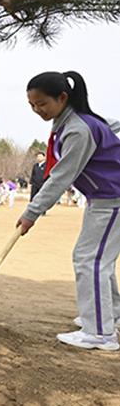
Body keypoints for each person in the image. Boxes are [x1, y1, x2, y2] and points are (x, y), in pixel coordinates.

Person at [17, 70, 120, 351]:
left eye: (42, 104)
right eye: (32, 105)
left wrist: (32, 213)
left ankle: (99, 332)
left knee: (90, 260)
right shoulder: (69, 122)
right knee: (96, 258)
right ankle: (110, 316)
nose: (37, 110)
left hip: (113, 199)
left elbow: (61, 177)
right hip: (101, 199)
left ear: (62, 98)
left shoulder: (77, 128)